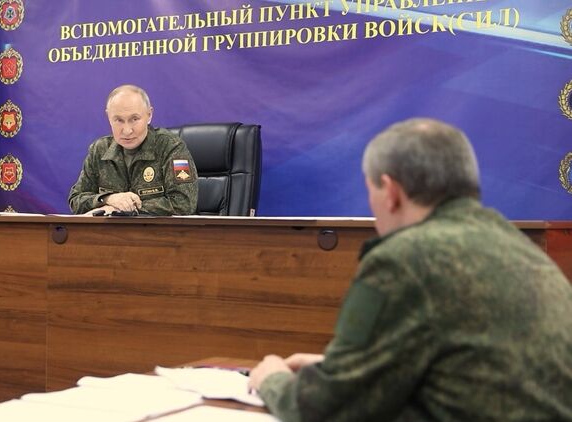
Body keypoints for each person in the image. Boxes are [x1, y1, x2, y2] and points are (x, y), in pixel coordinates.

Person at [249, 118, 572, 421]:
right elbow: (477, 366)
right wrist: (346, 368)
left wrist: (272, 379)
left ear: (390, 193)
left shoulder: (400, 260)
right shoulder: (524, 252)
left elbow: (325, 410)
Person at [68, 85, 198, 215]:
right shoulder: (99, 150)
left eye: (134, 119)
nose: (127, 130)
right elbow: (76, 199)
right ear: (109, 117)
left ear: (149, 115)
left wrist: (124, 208)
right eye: (119, 120)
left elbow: (183, 203)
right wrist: (108, 199)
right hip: (110, 228)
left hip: (156, 228)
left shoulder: (170, 146)